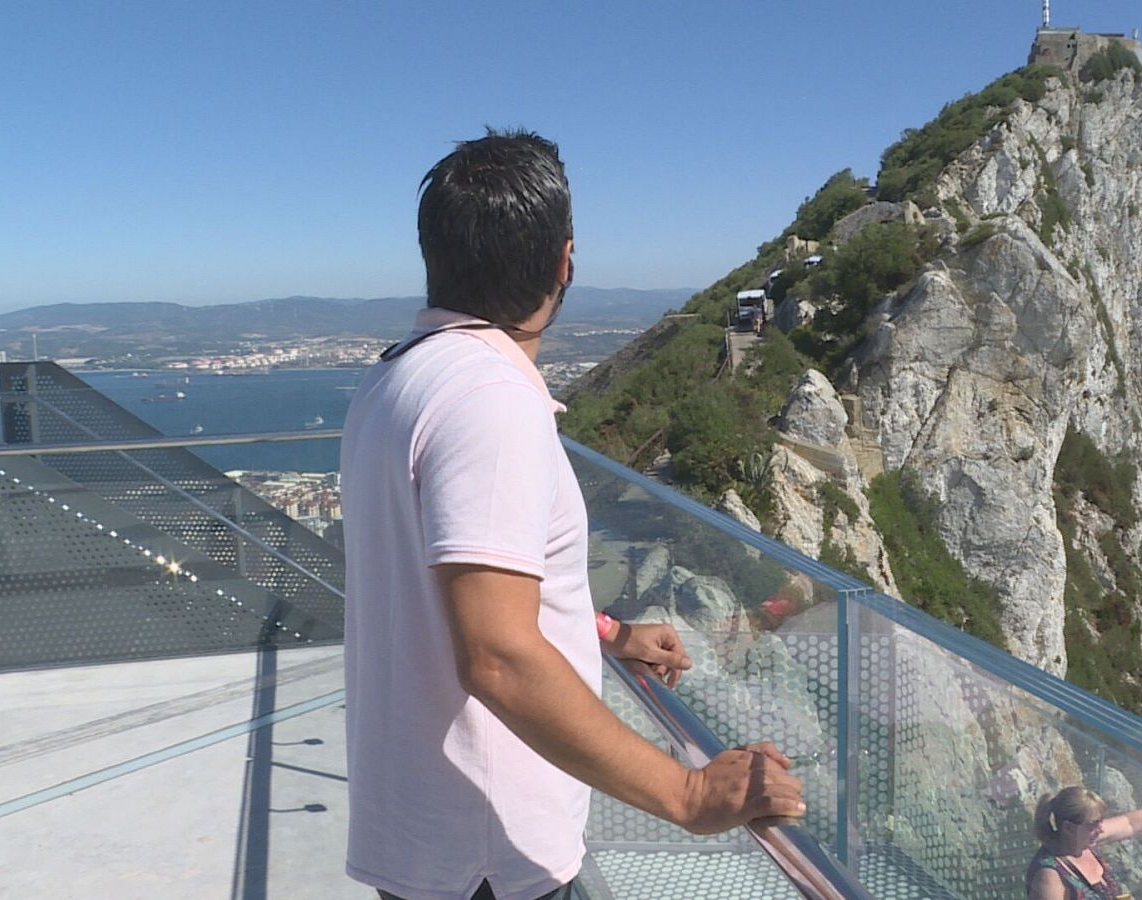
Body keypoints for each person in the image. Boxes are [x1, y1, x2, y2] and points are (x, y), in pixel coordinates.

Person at [341, 130, 806, 900]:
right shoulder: (491, 402)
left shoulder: (394, 379)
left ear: (434, 254)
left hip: (430, 827)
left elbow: (458, 584)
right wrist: (687, 795)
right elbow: (496, 653)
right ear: (565, 263)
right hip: (488, 850)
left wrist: (605, 635)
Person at [1026, 784, 1142, 900]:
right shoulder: (1049, 875)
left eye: (1101, 821)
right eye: (1093, 824)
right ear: (1068, 827)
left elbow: (1130, 823)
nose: (1101, 829)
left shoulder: (1083, 842)